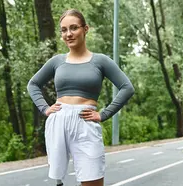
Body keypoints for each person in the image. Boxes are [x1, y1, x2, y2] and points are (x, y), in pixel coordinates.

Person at [27, 9, 135, 186]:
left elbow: (127, 87)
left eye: (74, 28)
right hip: (59, 121)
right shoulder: (57, 61)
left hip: (85, 122)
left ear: (86, 29)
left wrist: (104, 114)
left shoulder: (100, 61)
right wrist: (45, 108)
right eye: (64, 30)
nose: (68, 34)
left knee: (92, 179)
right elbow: (33, 84)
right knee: (58, 179)